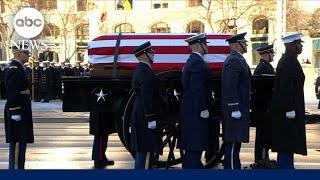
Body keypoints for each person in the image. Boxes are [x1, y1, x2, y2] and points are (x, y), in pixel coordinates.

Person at [270, 32, 307, 169]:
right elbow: (286, 88)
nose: (300, 47)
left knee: (288, 144)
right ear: (291, 46)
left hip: (289, 110)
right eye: (298, 44)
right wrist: (290, 108)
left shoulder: (290, 59)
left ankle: (287, 169)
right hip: (287, 112)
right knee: (286, 143)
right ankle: (285, 171)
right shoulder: (288, 61)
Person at [180, 33, 214, 169]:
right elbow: (197, 89)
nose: (207, 47)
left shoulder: (192, 61)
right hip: (195, 112)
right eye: (205, 44)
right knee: (194, 147)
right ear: (199, 46)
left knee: (193, 148)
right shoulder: (197, 63)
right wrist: (203, 108)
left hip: (191, 111)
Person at [221, 32, 251, 169]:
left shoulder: (239, 59)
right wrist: (234, 108)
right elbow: (230, 85)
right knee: (233, 143)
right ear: (237, 45)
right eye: (244, 43)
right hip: (234, 109)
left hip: (239, 108)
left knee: (236, 142)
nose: (246, 45)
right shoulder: (233, 60)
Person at [130, 41, 161, 169]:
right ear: (143, 55)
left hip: (140, 113)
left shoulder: (142, 69)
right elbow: (146, 97)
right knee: (145, 150)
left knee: (142, 149)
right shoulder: (145, 71)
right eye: (150, 52)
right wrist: (150, 118)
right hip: (144, 116)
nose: (153, 55)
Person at [4, 44, 34, 169]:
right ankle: (15, 170)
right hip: (17, 110)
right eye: (26, 53)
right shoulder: (14, 69)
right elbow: (12, 92)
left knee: (21, 141)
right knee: (17, 141)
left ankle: (19, 168)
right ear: (19, 54)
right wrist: (15, 111)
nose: (28, 56)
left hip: (21, 110)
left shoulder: (19, 68)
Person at [251, 44, 275, 163]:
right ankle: (261, 159)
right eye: (272, 53)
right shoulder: (264, 68)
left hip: (262, 107)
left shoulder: (265, 67)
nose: (273, 55)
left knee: (264, 134)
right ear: (267, 54)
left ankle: (263, 157)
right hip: (263, 108)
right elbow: (264, 90)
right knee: (262, 136)